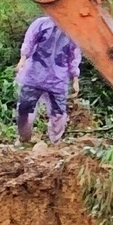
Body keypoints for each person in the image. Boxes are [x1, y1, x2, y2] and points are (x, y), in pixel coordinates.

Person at [15, 15, 81, 145]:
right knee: (24, 107)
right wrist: (22, 59)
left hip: (58, 79)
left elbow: (74, 56)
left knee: (58, 112)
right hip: (34, 74)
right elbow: (29, 41)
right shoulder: (42, 24)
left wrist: (75, 78)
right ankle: (24, 137)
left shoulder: (73, 32)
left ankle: (55, 142)